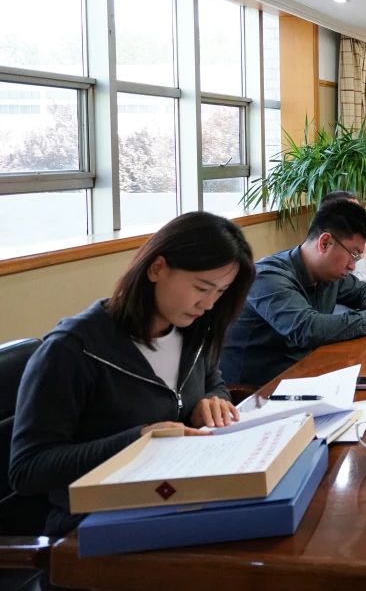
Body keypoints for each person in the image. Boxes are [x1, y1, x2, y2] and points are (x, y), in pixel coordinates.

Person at [10, 212, 254, 535]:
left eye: (220, 292)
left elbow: (214, 382)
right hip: (95, 523)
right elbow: (28, 470)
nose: (208, 304)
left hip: (174, 496)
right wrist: (138, 441)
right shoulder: (71, 350)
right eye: (201, 287)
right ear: (157, 268)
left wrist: (212, 400)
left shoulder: (194, 330)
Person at [220, 201, 366, 386]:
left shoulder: (329, 274)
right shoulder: (267, 277)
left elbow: (365, 289)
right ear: (325, 242)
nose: (353, 266)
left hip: (309, 373)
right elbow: (308, 328)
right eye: (353, 254)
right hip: (260, 390)